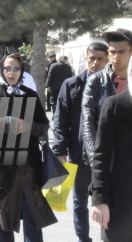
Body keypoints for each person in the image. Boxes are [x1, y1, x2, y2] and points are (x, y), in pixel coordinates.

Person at [0, 53, 56, 242]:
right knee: (4, 221)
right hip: (1, 168)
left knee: (33, 219)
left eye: (16, 69)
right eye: (7, 68)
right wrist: (6, 122)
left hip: (28, 167)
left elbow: (44, 127)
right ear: (1, 70)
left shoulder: (30, 95)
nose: (12, 73)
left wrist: (29, 126)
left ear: (22, 71)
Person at [53, 42, 108, 242]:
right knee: (79, 201)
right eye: (92, 58)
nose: (95, 62)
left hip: (107, 153)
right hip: (78, 152)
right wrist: (59, 149)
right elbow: (60, 119)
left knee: (109, 199)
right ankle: (83, 237)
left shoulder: (112, 85)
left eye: (100, 58)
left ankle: (109, 236)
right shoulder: (71, 85)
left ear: (107, 59)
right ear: (86, 58)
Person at [90, 56, 132, 242]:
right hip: (120, 200)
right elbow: (101, 156)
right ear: (129, 75)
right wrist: (99, 200)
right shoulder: (114, 106)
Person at [82, 28, 132, 166]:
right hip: (107, 153)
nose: (116, 57)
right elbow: (88, 119)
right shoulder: (96, 81)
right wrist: (93, 157)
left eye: (121, 52)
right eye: (112, 52)